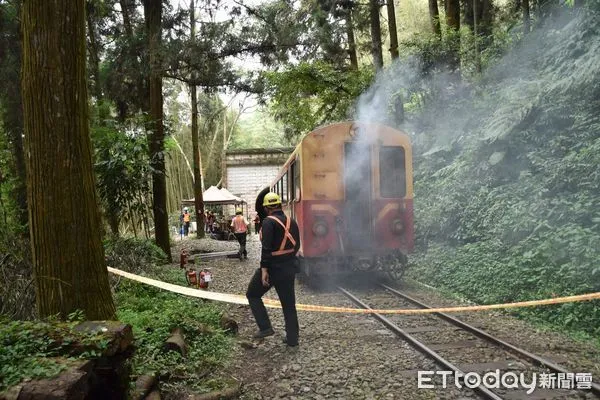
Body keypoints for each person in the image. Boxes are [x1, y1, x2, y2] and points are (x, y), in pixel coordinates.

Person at [246, 192, 301, 347]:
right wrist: (288, 258)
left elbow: (266, 248)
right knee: (289, 304)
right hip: (289, 267)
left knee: (252, 294)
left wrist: (264, 270)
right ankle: (292, 338)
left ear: (266, 208)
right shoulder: (292, 221)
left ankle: (265, 327)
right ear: (279, 205)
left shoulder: (268, 222)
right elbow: (297, 245)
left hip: (272, 269)